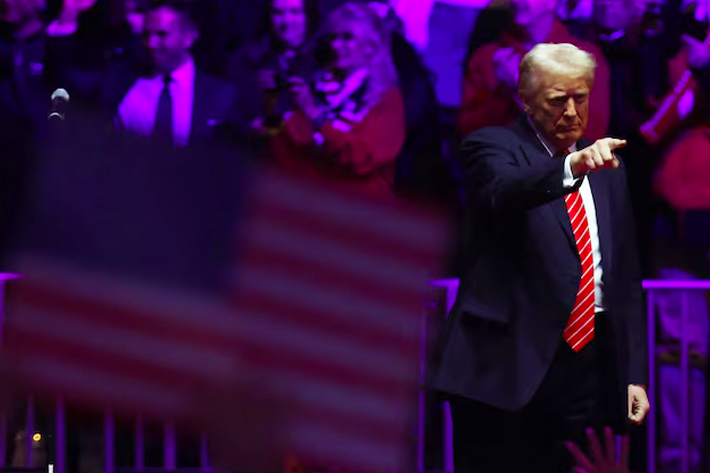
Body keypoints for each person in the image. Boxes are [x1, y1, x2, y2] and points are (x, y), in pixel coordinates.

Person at [430, 43, 649, 473]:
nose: (571, 111)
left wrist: (633, 375)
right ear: (524, 100)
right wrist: (571, 168)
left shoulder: (609, 169)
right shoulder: (490, 146)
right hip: (507, 370)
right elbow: (504, 190)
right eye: (557, 100)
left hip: (590, 365)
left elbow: (623, 280)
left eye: (580, 98)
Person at [268, 2, 405, 198]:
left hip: (360, 210)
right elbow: (291, 147)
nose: (335, 46)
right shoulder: (318, 88)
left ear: (370, 46)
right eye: (333, 38)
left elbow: (361, 159)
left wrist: (316, 117)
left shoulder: (386, 100)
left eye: (347, 38)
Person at [456, 0, 610, 141]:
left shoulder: (582, 59)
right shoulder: (490, 57)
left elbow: (589, 135)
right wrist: (502, 94)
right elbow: (470, 132)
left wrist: (520, 90)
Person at [102, 0, 244, 148]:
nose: (151, 43)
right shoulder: (118, 81)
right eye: (146, 34)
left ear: (188, 37)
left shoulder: (220, 94)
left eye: (162, 34)